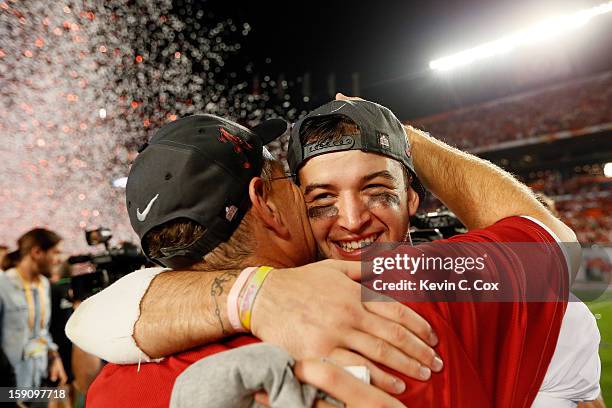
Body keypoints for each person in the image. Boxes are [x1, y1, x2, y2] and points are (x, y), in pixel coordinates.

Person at [68, 99, 597, 406]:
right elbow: (551, 242)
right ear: (267, 203)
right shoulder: (419, 285)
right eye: (316, 196)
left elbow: (90, 320)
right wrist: (406, 137)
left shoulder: (118, 382)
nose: (351, 220)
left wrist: (245, 295)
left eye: (376, 189)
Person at [0, 228, 68, 391]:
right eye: (56, 253)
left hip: (39, 379)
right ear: (37, 252)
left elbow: (42, 332)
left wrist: (54, 357)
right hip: (9, 386)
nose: (60, 260)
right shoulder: (2, 285)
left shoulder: (44, 285)